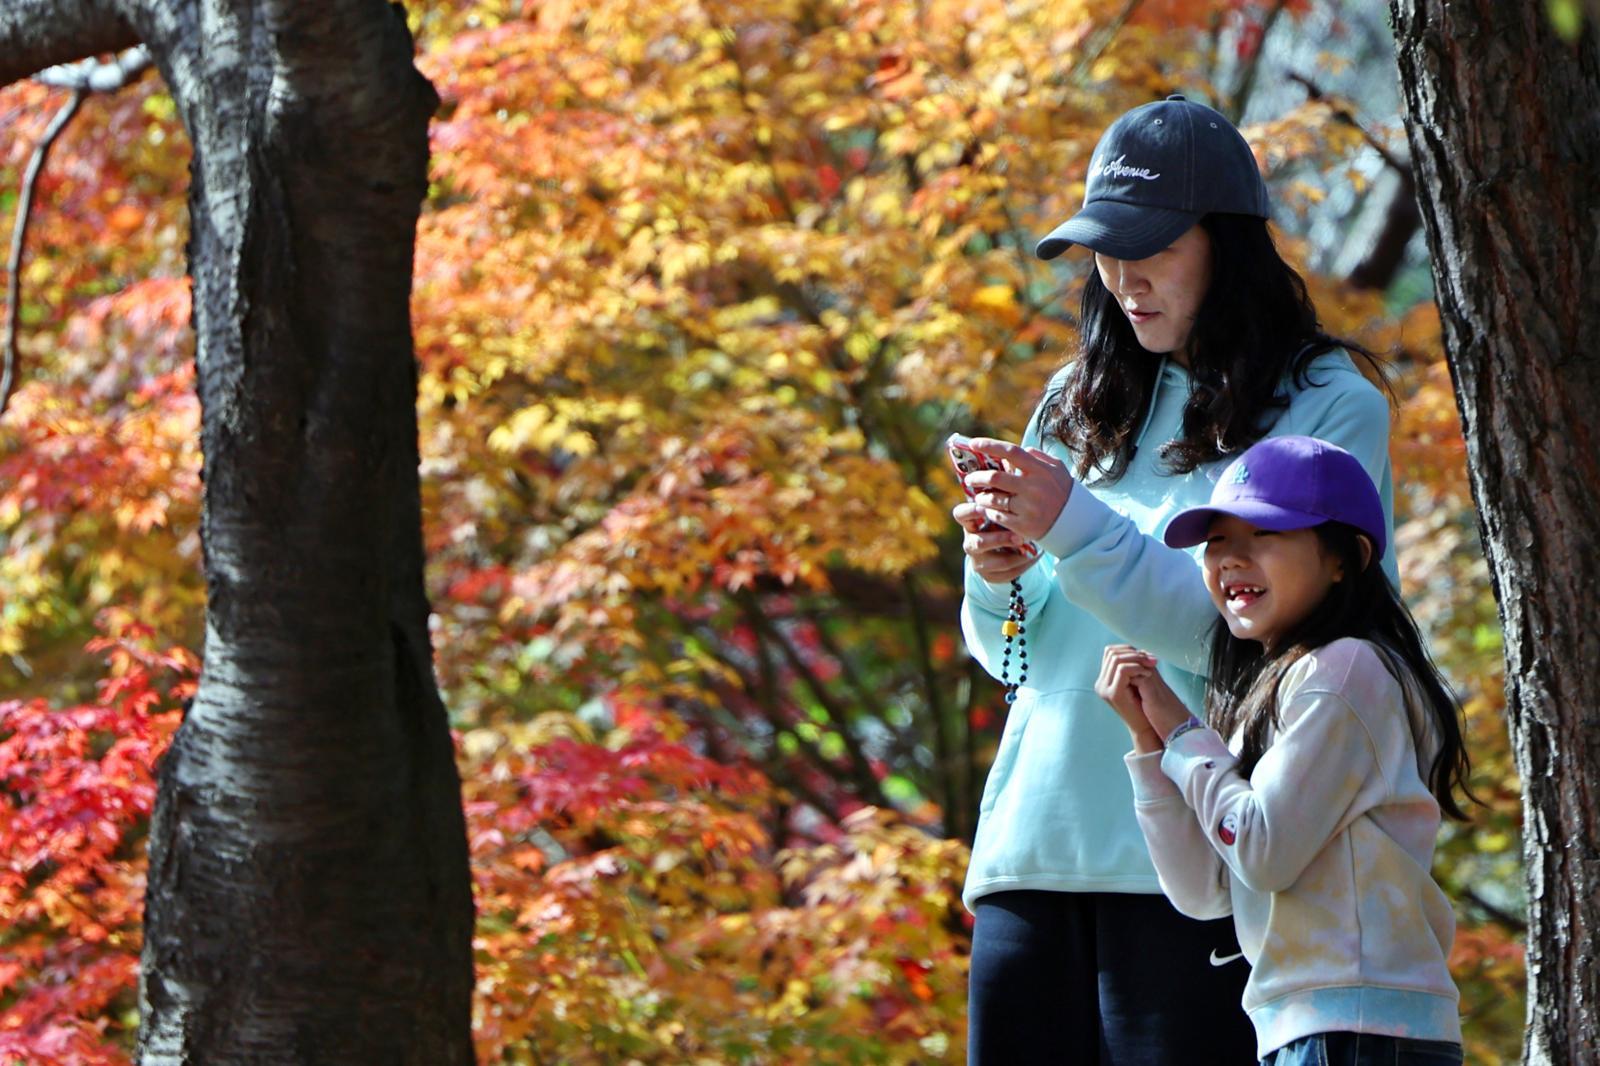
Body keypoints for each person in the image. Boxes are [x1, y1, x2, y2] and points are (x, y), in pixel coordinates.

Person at [954, 93, 1397, 1064]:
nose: (1122, 279)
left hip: (1199, 859)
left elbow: (1254, 633)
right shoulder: (1076, 402)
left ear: (1227, 244)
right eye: (1104, 251)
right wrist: (996, 576)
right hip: (1031, 853)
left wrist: (1070, 523)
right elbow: (1010, 656)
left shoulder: (1327, 405)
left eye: (1151, 247)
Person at [1095, 435, 1470, 1066]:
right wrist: (1150, 745)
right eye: (1217, 540)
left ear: (1345, 558)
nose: (1231, 559)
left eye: (1265, 532)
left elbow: (1262, 852)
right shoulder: (1279, 689)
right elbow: (1205, 891)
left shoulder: (1345, 670)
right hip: (1315, 1024)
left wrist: (1182, 733)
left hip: (1356, 1025)